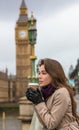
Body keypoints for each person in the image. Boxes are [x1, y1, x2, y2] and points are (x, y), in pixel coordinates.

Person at [26, 58, 79, 130]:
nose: (39, 76)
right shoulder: (47, 93)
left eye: (44, 73)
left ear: (54, 75)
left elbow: (51, 124)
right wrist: (35, 101)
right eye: (39, 73)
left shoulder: (61, 93)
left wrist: (39, 102)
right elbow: (44, 122)